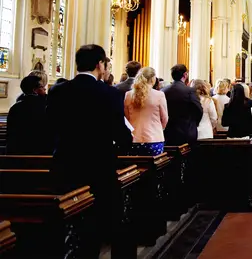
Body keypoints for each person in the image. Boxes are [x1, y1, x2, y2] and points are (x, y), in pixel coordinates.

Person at [48, 44, 132, 257]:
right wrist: (126, 143)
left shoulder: (58, 90)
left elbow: (50, 126)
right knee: (101, 218)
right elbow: (119, 132)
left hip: (65, 164)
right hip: (99, 165)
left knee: (69, 221)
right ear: (99, 65)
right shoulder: (108, 93)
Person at [124, 67, 169, 155]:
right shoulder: (159, 95)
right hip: (154, 138)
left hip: (134, 138)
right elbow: (164, 118)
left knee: (136, 167)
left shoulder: (128, 95)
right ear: (153, 79)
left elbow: (127, 118)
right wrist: (158, 128)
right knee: (155, 167)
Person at [7, 75, 51, 155]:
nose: (45, 89)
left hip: (18, 154)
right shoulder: (46, 107)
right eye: (42, 87)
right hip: (42, 153)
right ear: (34, 90)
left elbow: (11, 134)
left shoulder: (15, 108)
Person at [162, 64, 203, 145]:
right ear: (185, 75)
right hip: (187, 131)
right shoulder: (190, 91)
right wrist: (194, 123)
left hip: (169, 132)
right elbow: (199, 109)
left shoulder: (163, 91)